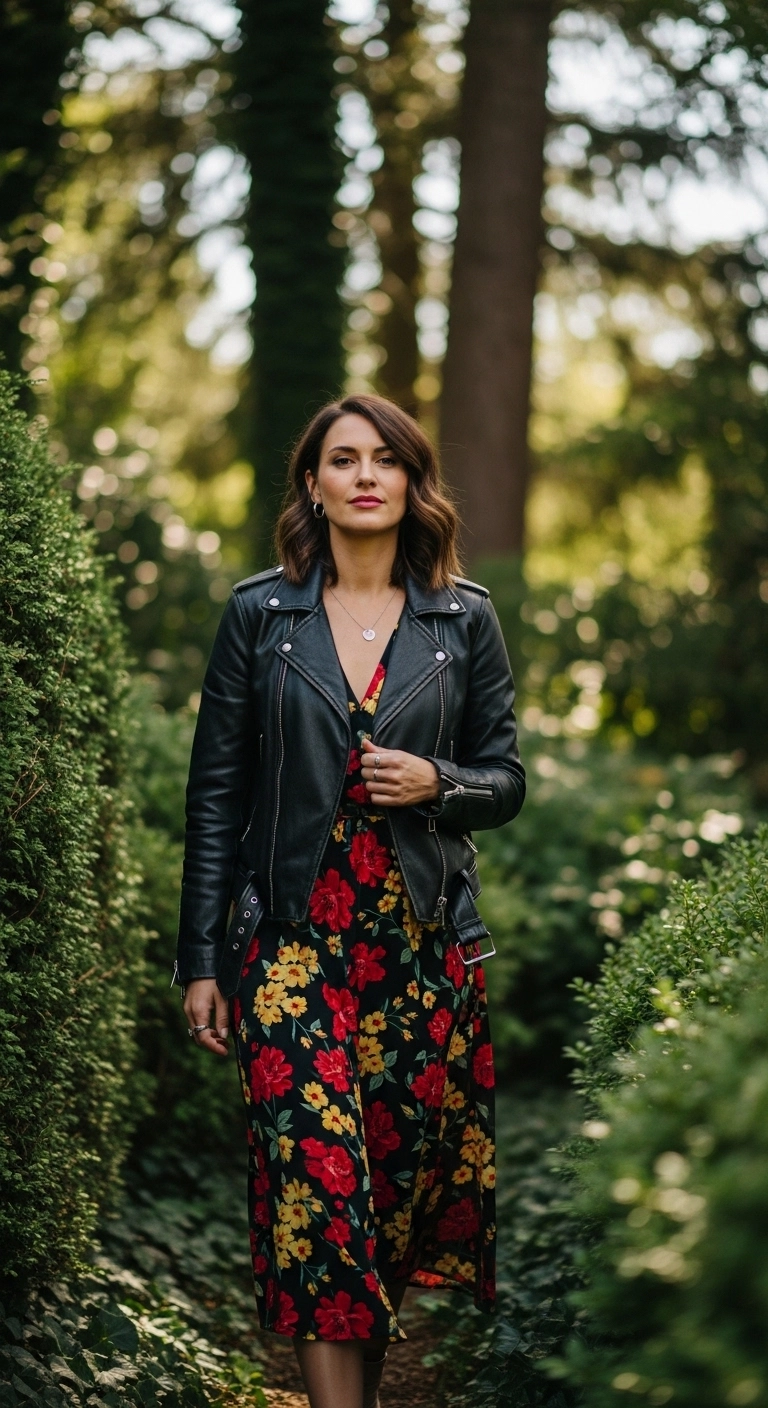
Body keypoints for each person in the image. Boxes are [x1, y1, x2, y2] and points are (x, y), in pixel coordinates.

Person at [176, 393, 525, 1408]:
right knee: (319, 1189)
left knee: (387, 1208)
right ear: (313, 484)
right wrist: (201, 959)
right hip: (289, 946)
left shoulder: (465, 618)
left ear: (413, 483)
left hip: (419, 950)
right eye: (343, 458)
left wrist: (440, 783)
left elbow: (505, 778)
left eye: (386, 459)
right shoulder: (259, 614)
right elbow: (217, 797)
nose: (365, 475)